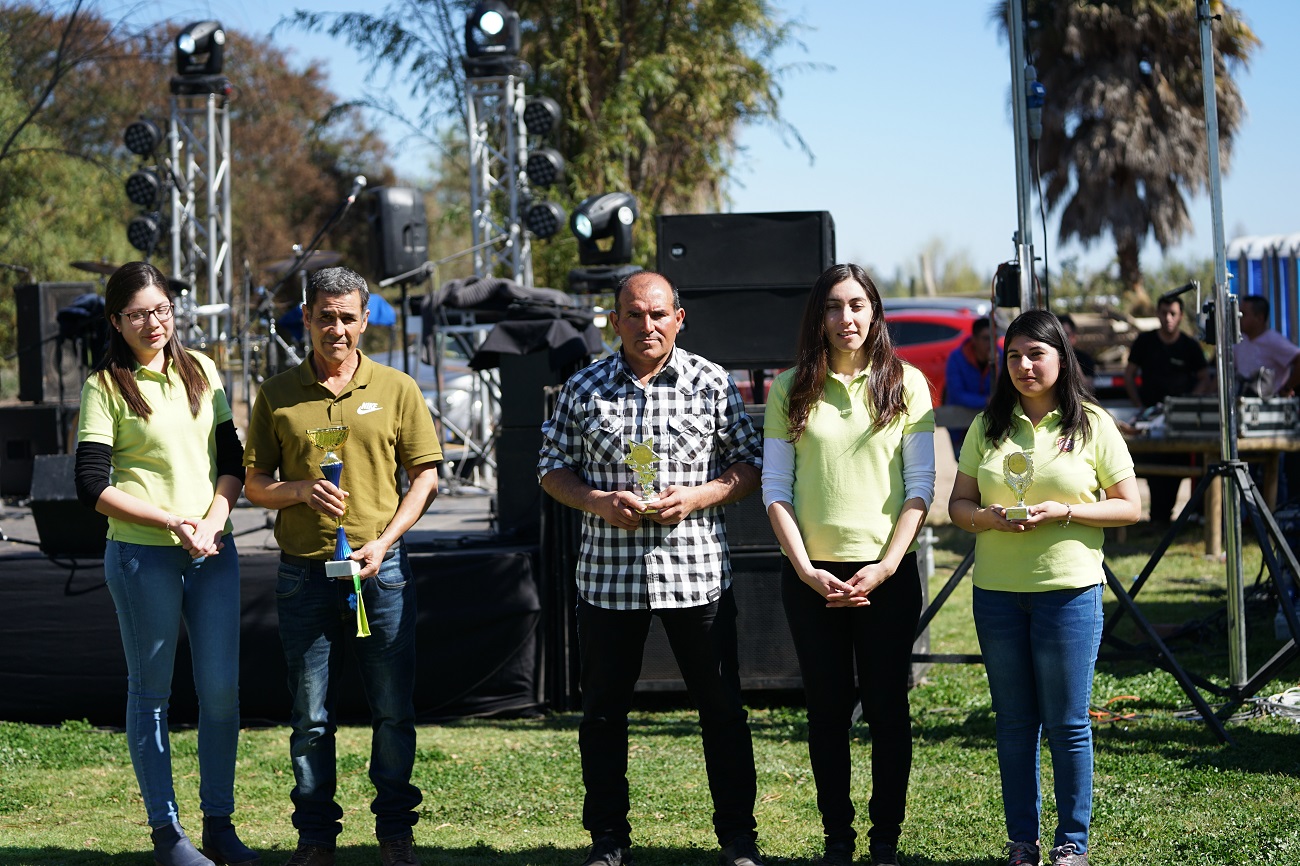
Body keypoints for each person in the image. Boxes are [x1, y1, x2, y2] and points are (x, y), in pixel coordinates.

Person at [537, 271, 766, 866]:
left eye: (659, 314)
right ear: (614, 321)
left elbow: (750, 464)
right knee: (603, 715)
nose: (648, 325)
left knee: (722, 712)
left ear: (679, 319)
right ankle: (608, 840)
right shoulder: (583, 387)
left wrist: (698, 496)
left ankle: (738, 838)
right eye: (634, 315)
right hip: (609, 579)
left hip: (696, 574)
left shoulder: (712, 382)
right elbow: (550, 467)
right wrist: (597, 501)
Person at [243, 267, 442, 866]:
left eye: (347, 317)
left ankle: (395, 833)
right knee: (310, 717)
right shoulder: (277, 393)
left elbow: (426, 478)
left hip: (381, 571)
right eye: (325, 316)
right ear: (305, 318)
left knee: (393, 711)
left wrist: (385, 542)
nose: (337, 328)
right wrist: (299, 491)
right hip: (303, 575)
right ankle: (315, 839)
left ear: (365, 320)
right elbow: (255, 484)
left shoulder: (398, 388)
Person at [73, 262, 257, 866]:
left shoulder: (203, 368)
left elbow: (232, 462)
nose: (153, 323)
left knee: (221, 692)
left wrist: (211, 520)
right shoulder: (104, 387)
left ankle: (219, 825)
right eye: (137, 314)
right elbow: (92, 485)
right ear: (115, 322)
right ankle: (167, 835)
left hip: (213, 552)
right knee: (151, 692)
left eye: (161, 310)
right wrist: (171, 522)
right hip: (141, 555)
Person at [948, 310, 1140, 866]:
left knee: (1068, 723)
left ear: (1062, 357)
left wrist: (1066, 512)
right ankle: (1022, 843)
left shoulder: (1093, 424)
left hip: (1069, 592)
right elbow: (958, 505)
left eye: (1036, 354)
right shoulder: (987, 426)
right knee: (1013, 723)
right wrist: (986, 518)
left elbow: (1130, 507)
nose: (1024, 366)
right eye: (1013, 356)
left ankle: (1072, 843)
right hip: (997, 595)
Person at [761, 264, 935, 866]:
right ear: (819, 316)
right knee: (828, 712)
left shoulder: (907, 383)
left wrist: (885, 567)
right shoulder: (789, 388)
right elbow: (775, 489)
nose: (846, 318)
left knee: (888, 709)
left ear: (875, 311)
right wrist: (806, 570)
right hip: (812, 578)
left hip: (888, 575)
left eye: (858, 305)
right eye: (834, 307)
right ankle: (838, 839)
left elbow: (921, 486)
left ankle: (885, 840)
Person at [1123, 294, 1209, 525]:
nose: (1168, 318)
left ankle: (1183, 516)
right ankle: (1158, 518)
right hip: (1150, 419)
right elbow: (1129, 374)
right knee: (1155, 467)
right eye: (1164, 313)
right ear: (1157, 314)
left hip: (1180, 422)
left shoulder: (1189, 346)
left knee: (1179, 465)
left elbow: (1204, 378)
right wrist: (1140, 407)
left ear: (1180, 316)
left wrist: (1188, 404)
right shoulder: (1145, 342)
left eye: (1173, 313)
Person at [942, 316, 996, 453]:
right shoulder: (957, 358)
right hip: (961, 427)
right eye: (986, 338)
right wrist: (986, 400)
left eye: (994, 338)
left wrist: (996, 366)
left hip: (990, 425)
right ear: (974, 339)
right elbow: (956, 393)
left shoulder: (999, 356)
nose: (990, 343)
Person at [1235, 295, 1300, 397]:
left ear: (1259, 318)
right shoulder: (1239, 341)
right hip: (1242, 401)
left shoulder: (1274, 341)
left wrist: (1287, 387)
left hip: (1268, 404)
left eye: (1243, 314)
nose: (1238, 318)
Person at [1056, 314, 1096, 379]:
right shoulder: (1049, 358)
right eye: (1058, 335)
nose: (1062, 339)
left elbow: (1087, 384)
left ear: (1074, 336)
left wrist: (1072, 361)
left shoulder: (1085, 359)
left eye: (1065, 335)